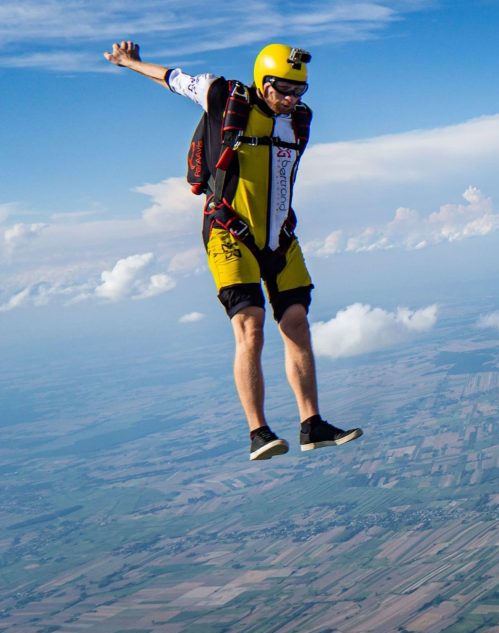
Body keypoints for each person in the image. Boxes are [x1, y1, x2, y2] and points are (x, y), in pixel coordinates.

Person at [104, 40, 362, 461]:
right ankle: (258, 432)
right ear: (263, 82)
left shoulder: (298, 121)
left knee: (296, 323)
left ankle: (312, 425)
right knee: (251, 326)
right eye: (283, 89)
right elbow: (172, 79)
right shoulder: (223, 96)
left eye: (299, 91)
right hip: (228, 230)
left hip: (279, 236)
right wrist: (130, 62)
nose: (291, 99)